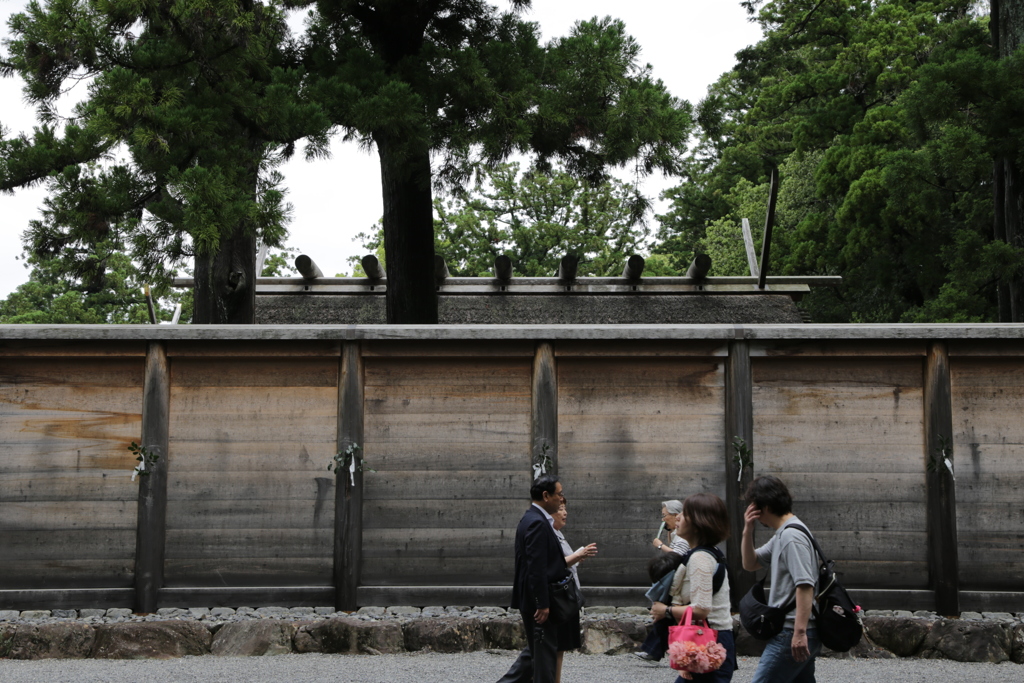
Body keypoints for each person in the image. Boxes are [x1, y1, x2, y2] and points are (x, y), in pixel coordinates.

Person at [648, 492, 736, 682]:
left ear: (699, 523)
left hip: (709, 642)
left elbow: (702, 609)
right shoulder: (707, 553)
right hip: (708, 639)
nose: (677, 517)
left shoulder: (699, 558)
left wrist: (666, 610)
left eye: (685, 514)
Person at [741, 476, 821, 683]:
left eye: (755, 508)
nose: (756, 516)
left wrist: (799, 633)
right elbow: (751, 564)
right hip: (796, 631)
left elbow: (804, 585)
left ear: (764, 507)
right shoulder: (783, 534)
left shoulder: (791, 537)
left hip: (791, 631)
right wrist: (747, 530)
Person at [496, 474, 570, 683]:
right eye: (559, 494)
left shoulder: (532, 518)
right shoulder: (536, 522)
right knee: (544, 660)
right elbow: (536, 567)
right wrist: (542, 603)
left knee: (536, 653)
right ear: (546, 496)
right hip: (538, 601)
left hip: (534, 598)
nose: (561, 499)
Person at [551, 500, 598, 683]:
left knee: (560, 646)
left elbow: (564, 562)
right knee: (554, 646)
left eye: (565, 509)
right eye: (561, 509)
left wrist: (578, 557)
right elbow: (555, 564)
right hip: (558, 596)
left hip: (566, 594)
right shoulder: (549, 533)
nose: (565, 513)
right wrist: (578, 555)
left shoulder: (558, 533)